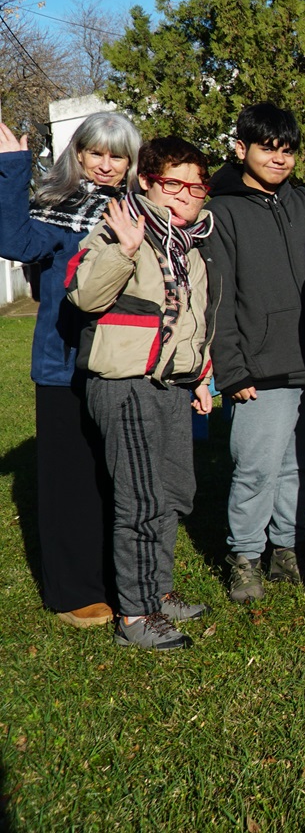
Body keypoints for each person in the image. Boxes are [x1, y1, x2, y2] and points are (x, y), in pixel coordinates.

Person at [66, 137, 217, 651]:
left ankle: (157, 590)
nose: (186, 195)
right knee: (140, 499)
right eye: (174, 183)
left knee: (172, 491)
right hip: (124, 383)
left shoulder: (191, 246)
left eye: (196, 186)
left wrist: (198, 378)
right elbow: (85, 295)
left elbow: (188, 324)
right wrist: (125, 251)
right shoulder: (120, 227)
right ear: (149, 183)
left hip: (172, 385)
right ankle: (135, 615)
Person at [0, 112, 139, 628]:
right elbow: (11, 240)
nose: (105, 165)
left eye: (117, 155)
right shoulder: (55, 212)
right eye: (95, 153)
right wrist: (13, 167)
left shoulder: (141, 212)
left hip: (126, 366)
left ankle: (125, 577)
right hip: (65, 366)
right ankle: (75, 590)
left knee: (121, 478)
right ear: (78, 155)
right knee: (72, 480)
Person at [208, 103, 305, 604]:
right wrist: (231, 368)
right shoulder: (221, 212)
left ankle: (287, 548)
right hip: (257, 368)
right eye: (268, 148)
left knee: (301, 465)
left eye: (288, 151)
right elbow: (216, 297)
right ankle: (244, 556)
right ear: (241, 148)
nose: (279, 159)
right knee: (256, 468)